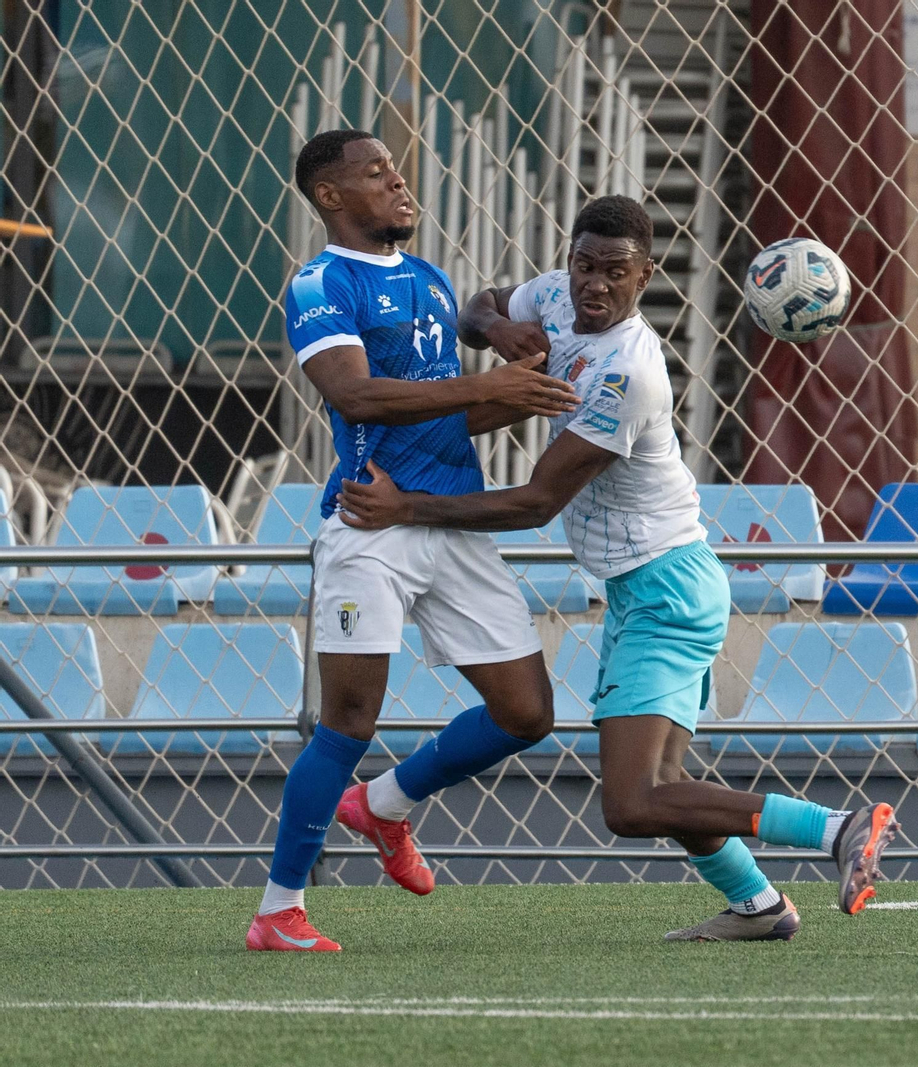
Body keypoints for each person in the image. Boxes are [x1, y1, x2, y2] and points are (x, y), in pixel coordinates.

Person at [338, 194, 898, 941]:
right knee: (665, 786)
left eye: (615, 272)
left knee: (632, 802)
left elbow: (537, 501)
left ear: (647, 276)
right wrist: (502, 329)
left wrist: (405, 507)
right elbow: (478, 307)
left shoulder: (628, 373)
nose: (593, 285)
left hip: (664, 587)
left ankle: (837, 828)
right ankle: (759, 905)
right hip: (653, 585)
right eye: (584, 265)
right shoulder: (560, 298)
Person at [247, 129, 579, 953]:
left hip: (446, 519)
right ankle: (277, 910)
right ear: (331, 196)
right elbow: (356, 396)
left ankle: (385, 804)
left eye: (396, 169)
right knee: (348, 721)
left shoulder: (429, 281)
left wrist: (532, 396)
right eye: (375, 173)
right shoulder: (321, 283)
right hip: (371, 526)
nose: (399, 183)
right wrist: (488, 382)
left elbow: (451, 409)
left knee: (527, 711)